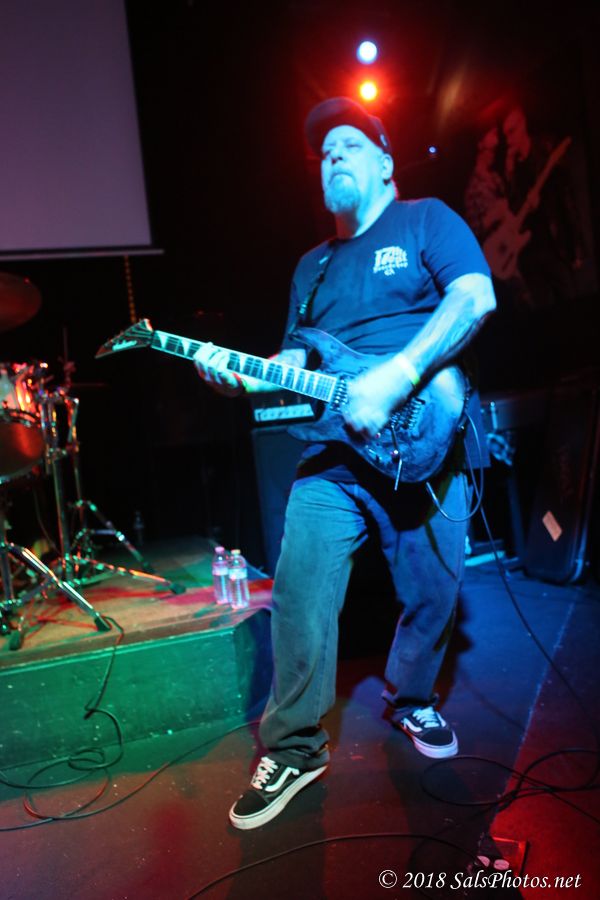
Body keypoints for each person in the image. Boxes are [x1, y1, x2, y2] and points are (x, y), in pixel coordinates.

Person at [195, 97, 496, 830]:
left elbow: (474, 295)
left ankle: (412, 698)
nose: (332, 155)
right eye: (324, 151)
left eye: (349, 145)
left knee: (433, 591)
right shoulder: (313, 267)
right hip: (334, 451)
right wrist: (244, 375)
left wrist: (397, 376)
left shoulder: (425, 220)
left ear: (386, 164)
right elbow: (298, 359)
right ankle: (295, 747)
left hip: (427, 435)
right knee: (298, 591)